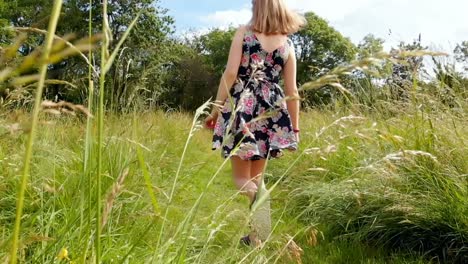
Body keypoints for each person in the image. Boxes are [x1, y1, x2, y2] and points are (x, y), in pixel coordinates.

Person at [204, 0, 305, 245]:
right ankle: (255, 239)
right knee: (256, 179)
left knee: (242, 180)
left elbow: (230, 73)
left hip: (244, 107)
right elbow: (292, 91)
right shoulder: (288, 45)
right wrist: (294, 126)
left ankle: (263, 215)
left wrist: (216, 109)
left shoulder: (244, 33)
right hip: (271, 112)